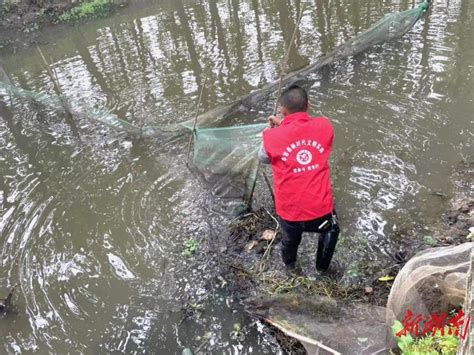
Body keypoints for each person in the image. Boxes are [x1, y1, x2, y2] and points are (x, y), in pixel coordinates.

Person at [258, 85, 339, 273]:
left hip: (290, 214)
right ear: (308, 105)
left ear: (282, 110)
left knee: (289, 240)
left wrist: (278, 128)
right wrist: (285, 126)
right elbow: (306, 133)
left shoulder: (271, 136)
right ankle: (322, 269)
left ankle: (291, 269)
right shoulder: (325, 126)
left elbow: (263, 158)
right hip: (320, 211)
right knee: (331, 230)